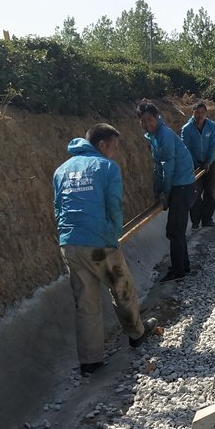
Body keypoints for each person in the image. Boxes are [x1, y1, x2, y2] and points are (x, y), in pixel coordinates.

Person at [53, 123, 157, 375]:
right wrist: (113, 235)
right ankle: (136, 333)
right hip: (99, 243)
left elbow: (58, 208)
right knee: (122, 289)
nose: (116, 152)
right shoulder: (107, 167)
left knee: (85, 302)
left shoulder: (61, 171)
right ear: (102, 145)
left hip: (70, 244)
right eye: (115, 147)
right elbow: (113, 206)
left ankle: (90, 361)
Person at [136, 101, 196, 282]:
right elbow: (157, 166)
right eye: (143, 121)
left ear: (157, 117)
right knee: (176, 229)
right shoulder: (152, 136)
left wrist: (166, 192)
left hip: (183, 185)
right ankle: (183, 267)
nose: (147, 124)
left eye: (150, 120)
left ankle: (179, 271)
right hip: (179, 184)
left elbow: (168, 167)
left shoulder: (165, 135)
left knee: (174, 230)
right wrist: (157, 190)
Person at [181, 101, 215, 229]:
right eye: (197, 112)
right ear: (193, 113)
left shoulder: (212, 126)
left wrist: (208, 161)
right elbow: (186, 148)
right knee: (195, 192)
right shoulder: (186, 129)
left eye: (202, 113)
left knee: (210, 191)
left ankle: (207, 219)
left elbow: (213, 145)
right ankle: (196, 220)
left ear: (206, 114)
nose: (199, 115)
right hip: (193, 165)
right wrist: (196, 163)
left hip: (210, 163)